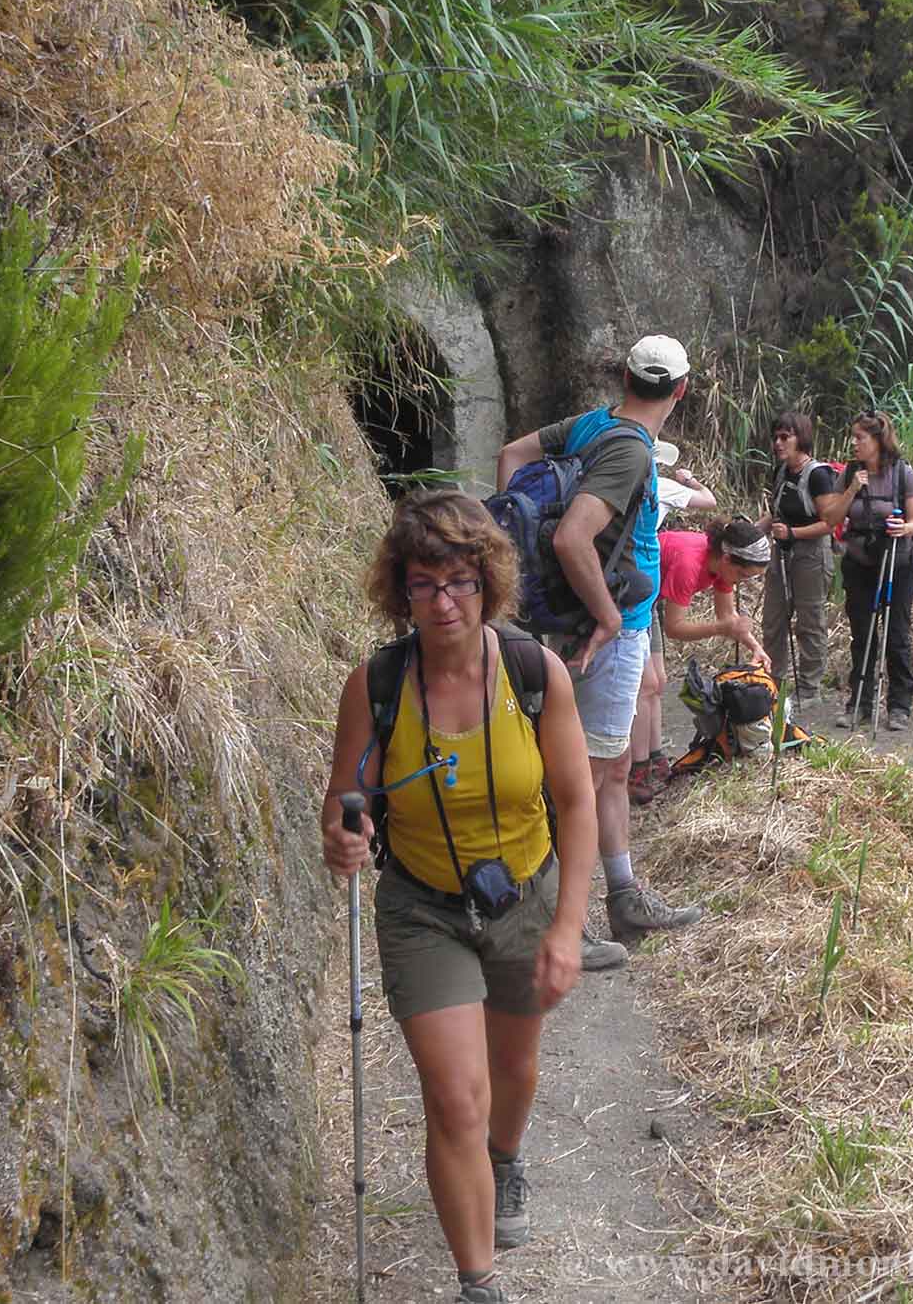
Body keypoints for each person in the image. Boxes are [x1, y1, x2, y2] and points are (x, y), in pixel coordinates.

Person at [321, 490, 597, 1304]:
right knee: (454, 1097)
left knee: (513, 1067)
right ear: (397, 591)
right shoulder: (374, 686)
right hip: (422, 907)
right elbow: (346, 803)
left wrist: (570, 927)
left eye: (460, 581)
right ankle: (479, 1283)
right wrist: (343, 837)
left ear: (488, 583)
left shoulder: (531, 672)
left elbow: (577, 800)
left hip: (524, 893)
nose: (443, 601)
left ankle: (505, 1162)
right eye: (423, 584)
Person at [494, 334, 703, 971]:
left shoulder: (592, 424)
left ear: (625, 376)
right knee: (580, 779)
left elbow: (512, 454)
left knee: (608, 771)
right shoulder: (632, 452)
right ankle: (563, 923)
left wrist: (515, 559)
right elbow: (574, 538)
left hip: (593, 619)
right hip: (608, 626)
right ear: (681, 391)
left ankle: (623, 894)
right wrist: (608, 617)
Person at [628, 442, 718, 804]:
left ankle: (653, 757)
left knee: (658, 681)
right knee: (644, 683)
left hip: (643, 590)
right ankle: (637, 768)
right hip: (631, 591)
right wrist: (691, 480)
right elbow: (709, 500)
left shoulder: (650, 485)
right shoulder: (659, 486)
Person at [837, 410, 913, 732]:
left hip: (896, 563)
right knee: (862, 635)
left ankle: (900, 706)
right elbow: (832, 516)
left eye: (860, 437)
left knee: (896, 634)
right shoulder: (849, 473)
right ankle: (859, 703)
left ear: (877, 440)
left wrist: (904, 527)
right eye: (854, 437)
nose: (854, 443)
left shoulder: (903, 474)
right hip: (859, 562)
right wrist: (850, 491)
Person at [760, 412, 848, 716]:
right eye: (776, 437)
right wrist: (750, 531)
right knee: (773, 620)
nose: (778, 443)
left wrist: (793, 533)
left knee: (809, 623)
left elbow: (829, 522)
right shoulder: (781, 471)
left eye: (786, 437)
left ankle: (810, 688)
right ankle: (774, 684)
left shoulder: (819, 475)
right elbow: (776, 514)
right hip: (781, 554)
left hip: (811, 554)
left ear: (802, 439)